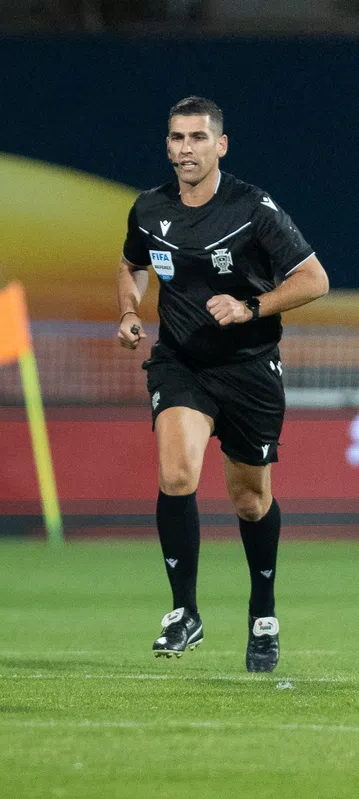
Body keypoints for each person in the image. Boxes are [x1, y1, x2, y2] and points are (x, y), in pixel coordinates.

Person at [116, 96, 329, 672]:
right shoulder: (149, 208)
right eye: (176, 138)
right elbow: (132, 264)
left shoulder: (253, 208)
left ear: (221, 145)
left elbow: (314, 279)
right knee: (176, 474)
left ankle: (263, 612)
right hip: (180, 362)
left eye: (197, 138)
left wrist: (250, 306)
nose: (185, 149)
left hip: (250, 369)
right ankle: (184, 612)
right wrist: (130, 310)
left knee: (250, 500)